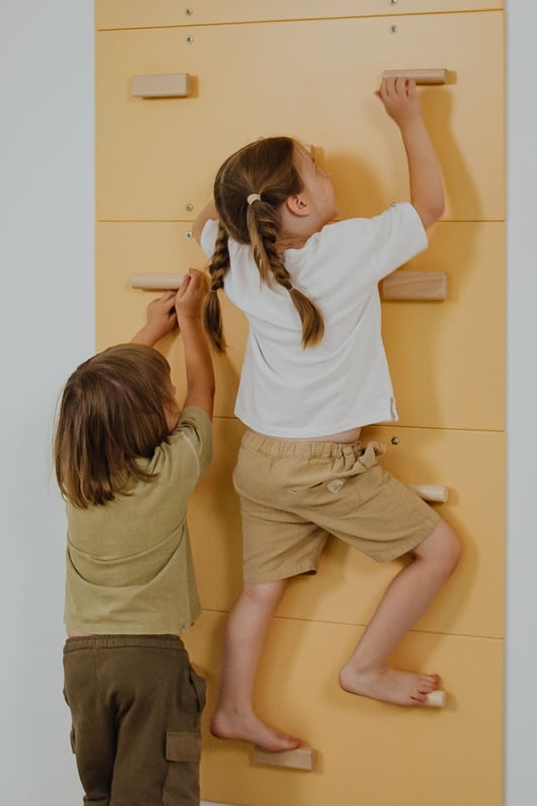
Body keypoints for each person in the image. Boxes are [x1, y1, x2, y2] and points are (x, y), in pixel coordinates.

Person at [195, 76, 460, 755]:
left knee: (259, 594)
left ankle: (231, 707)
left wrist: (258, 182)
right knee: (439, 550)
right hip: (324, 468)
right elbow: (429, 204)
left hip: (260, 461)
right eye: (315, 165)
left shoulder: (240, 260)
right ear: (300, 201)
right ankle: (364, 667)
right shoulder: (345, 250)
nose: (325, 160)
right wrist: (407, 118)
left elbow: (210, 218)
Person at [53, 269, 213, 806]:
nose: (176, 399)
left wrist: (152, 326)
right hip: (149, 659)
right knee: (138, 803)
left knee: (100, 792)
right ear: (153, 420)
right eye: (164, 396)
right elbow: (205, 391)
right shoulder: (171, 470)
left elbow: (97, 393)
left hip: (83, 659)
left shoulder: (77, 476)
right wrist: (194, 323)